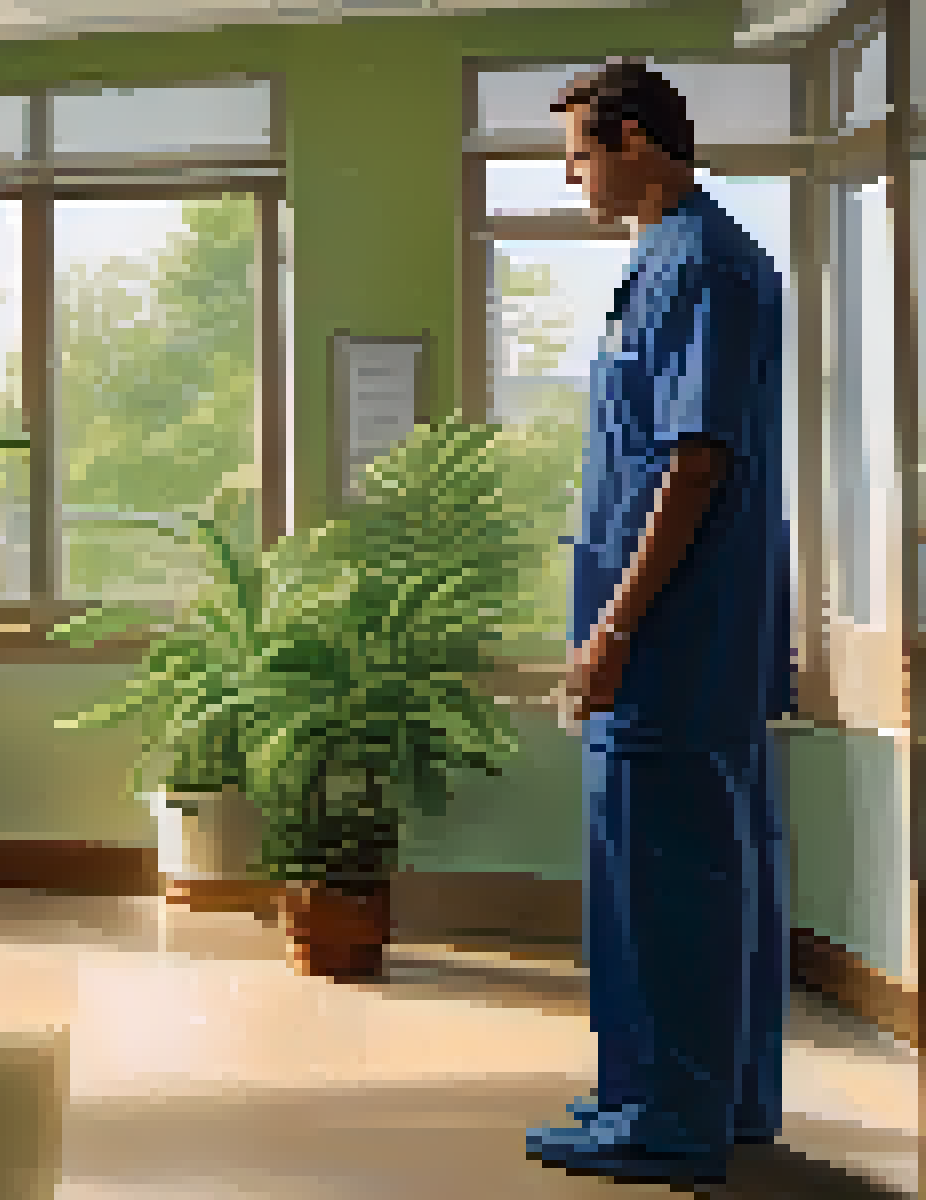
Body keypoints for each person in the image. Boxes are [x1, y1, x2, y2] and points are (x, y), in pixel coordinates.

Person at [532, 59, 793, 1185]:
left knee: (665, 874)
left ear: (633, 138)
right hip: (687, 635)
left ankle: (667, 1117)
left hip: (676, 637)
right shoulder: (674, 260)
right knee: (701, 867)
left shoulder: (704, 265)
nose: (576, 178)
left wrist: (617, 627)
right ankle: (700, 1095)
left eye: (582, 155)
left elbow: (693, 463)